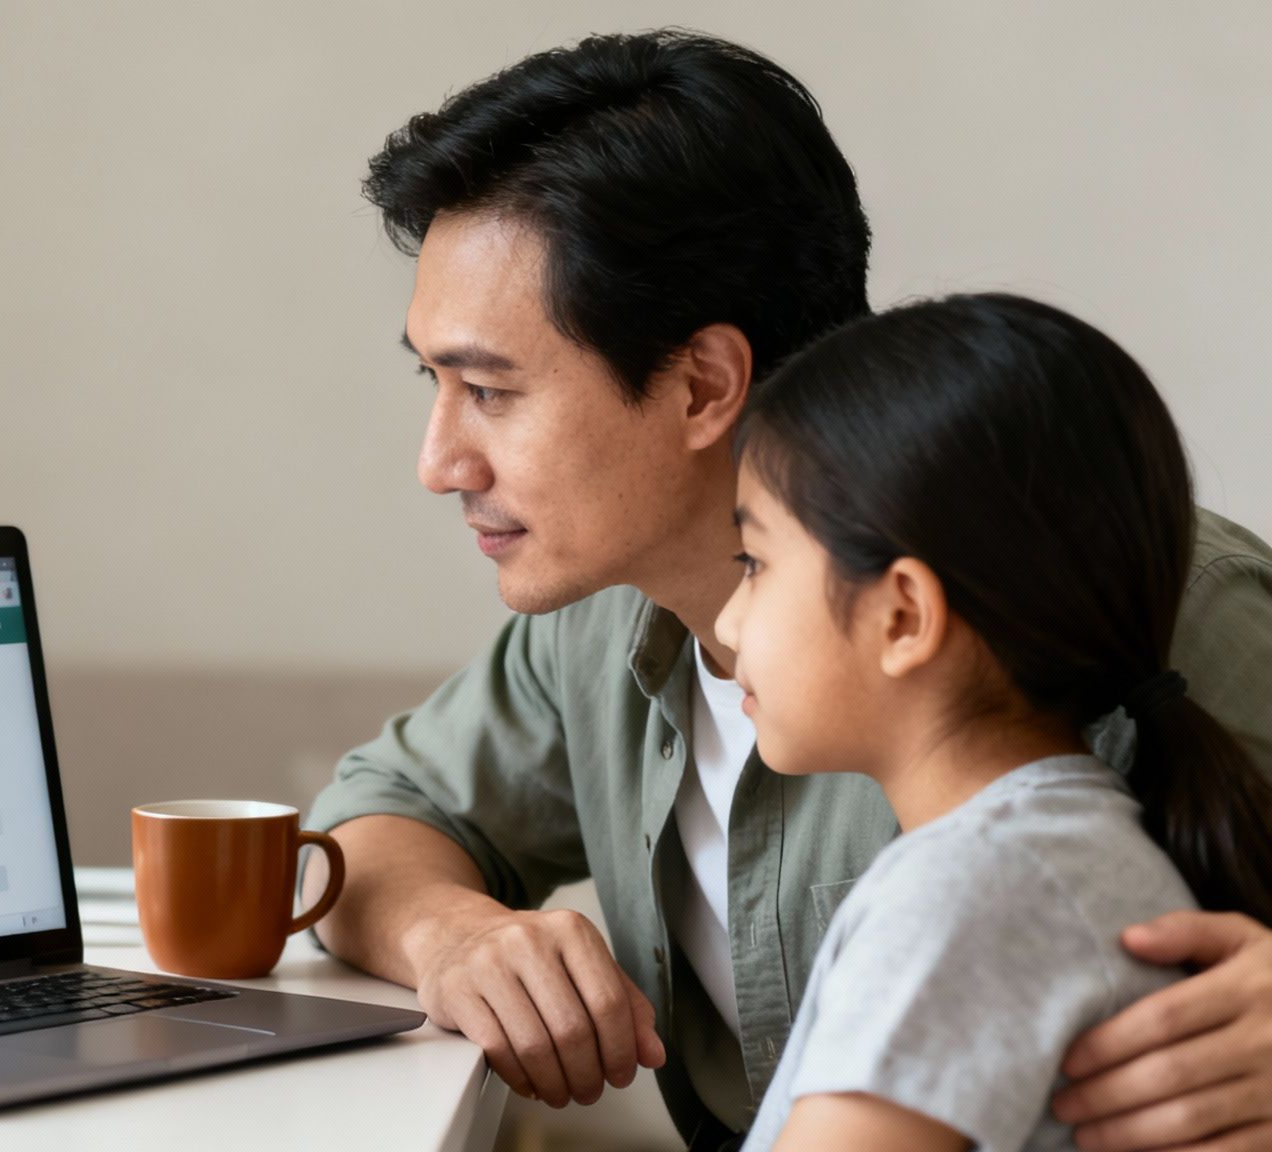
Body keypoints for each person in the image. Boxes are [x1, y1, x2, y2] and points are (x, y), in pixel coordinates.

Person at [302, 29, 1272, 1150]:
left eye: (486, 390)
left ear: (702, 384)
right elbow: (373, 822)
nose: (439, 464)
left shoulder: (1162, 606)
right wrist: (452, 936)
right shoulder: (601, 614)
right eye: (434, 382)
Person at [712, 292, 1272, 1151]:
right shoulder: (1058, 850)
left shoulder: (966, 890)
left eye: (754, 563)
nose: (726, 621)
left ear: (903, 616)